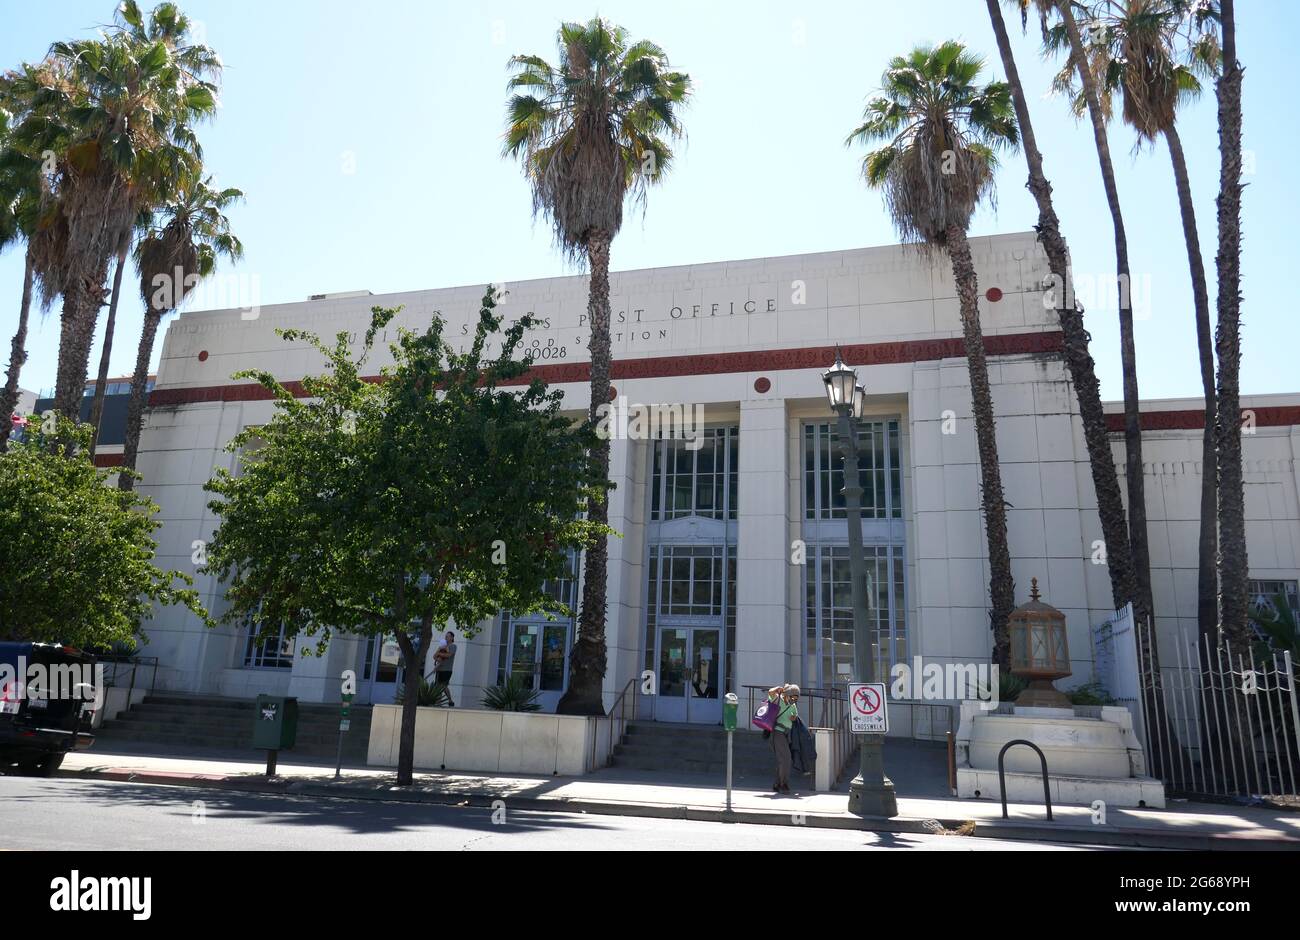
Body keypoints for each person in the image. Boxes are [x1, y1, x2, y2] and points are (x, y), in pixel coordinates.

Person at [766, 682, 800, 795]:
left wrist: (793, 717)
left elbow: (795, 716)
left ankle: (777, 784)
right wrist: (778, 689)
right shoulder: (777, 699)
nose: (794, 700)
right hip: (778, 732)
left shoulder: (793, 705)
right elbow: (770, 692)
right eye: (792, 697)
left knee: (783, 760)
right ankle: (783, 784)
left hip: (787, 734)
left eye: (796, 698)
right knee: (786, 758)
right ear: (787, 694)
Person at [433, 631, 457, 707]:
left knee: (443, 686)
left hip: (447, 669)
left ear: (452, 638)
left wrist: (440, 654)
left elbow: (449, 655)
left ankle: (450, 700)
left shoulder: (453, 646)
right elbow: (434, 656)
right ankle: (438, 702)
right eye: (446, 636)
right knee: (438, 686)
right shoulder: (442, 646)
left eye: (448, 636)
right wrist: (439, 649)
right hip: (439, 669)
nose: (446, 637)